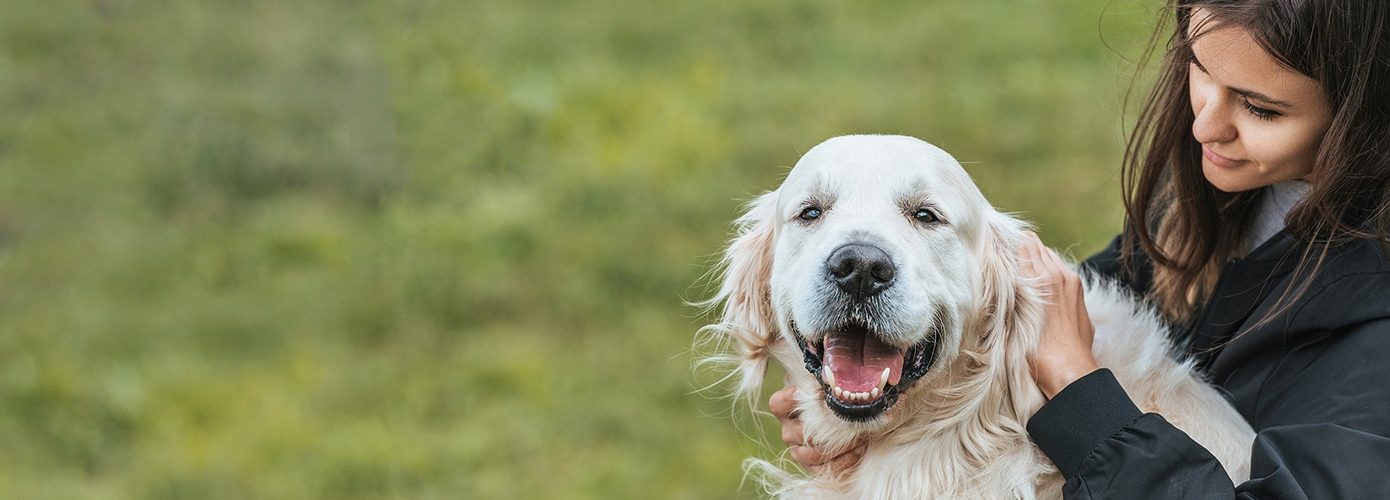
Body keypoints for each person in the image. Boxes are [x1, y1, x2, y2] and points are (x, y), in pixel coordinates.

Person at [769, 0, 1390, 497]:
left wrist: (1078, 391)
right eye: (1201, 68)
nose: (1205, 124)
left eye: (1260, 107)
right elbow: (1102, 299)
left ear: (1367, 114)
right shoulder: (1234, 187)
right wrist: (881, 403)